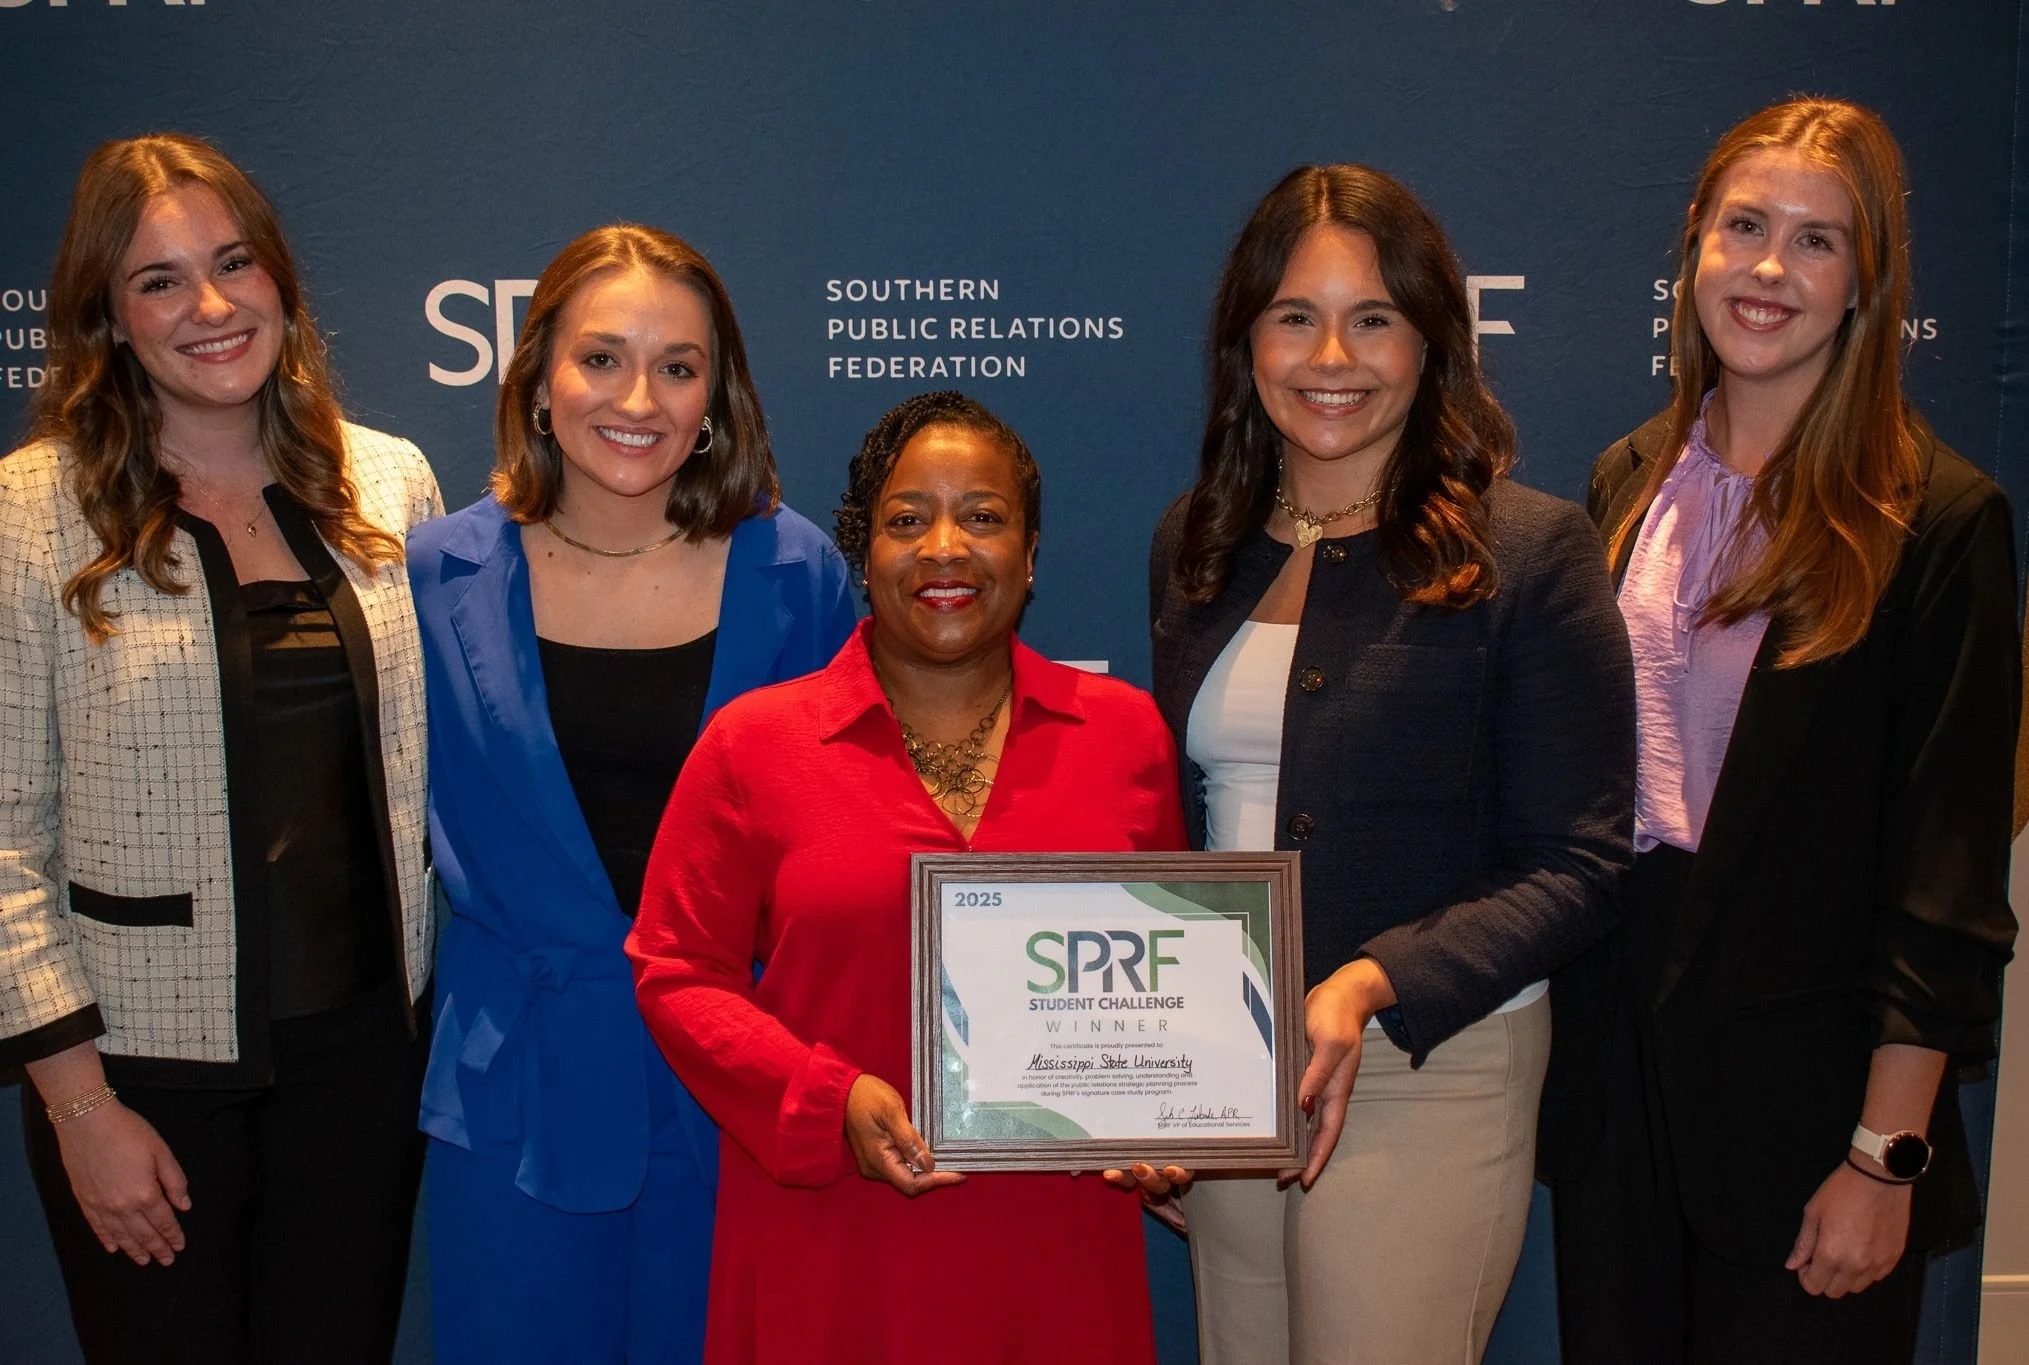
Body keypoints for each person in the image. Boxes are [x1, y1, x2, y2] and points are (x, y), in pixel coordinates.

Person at [1539, 97, 2020, 1364]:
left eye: (1816, 241)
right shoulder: (1625, 480)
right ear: (1691, 243)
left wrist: (1885, 1155)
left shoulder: (1942, 518)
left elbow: (1947, 887)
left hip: (1817, 1115)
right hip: (1618, 1094)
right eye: (1743, 226)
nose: (1767, 269)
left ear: (1867, 281)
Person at [1147, 164, 1637, 1364]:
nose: (1333, 355)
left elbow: (1578, 863)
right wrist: (1155, 1079)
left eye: (1374, 317)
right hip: (1233, 1069)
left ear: (1432, 342)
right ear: (1244, 342)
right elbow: (1184, 828)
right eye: (1294, 316)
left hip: (1429, 1064)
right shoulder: (1195, 544)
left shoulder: (1530, 550)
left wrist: (1371, 981)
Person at [627, 391, 1187, 1365]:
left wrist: (1168, 1109)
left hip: (1053, 1252)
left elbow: (1166, 984)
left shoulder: (1124, 734)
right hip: (834, 1239)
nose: (943, 548)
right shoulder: (755, 746)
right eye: (905, 519)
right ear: (862, 547)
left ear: (1030, 550)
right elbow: (675, 971)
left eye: (981, 516)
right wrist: (821, 1098)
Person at [0, 134, 441, 1363]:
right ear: (107, 319)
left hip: (364, 1067)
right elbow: (0, 844)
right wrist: (81, 1107)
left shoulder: (390, 482)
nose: (210, 305)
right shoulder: (25, 513)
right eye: (158, 280)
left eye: (233, 262)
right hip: (141, 1078)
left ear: (281, 282)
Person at [409, 223, 856, 1365]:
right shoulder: (431, 575)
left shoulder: (795, 571)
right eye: (601, 358)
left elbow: (857, 828)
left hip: (733, 1088)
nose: (638, 398)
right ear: (538, 379)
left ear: (717, 397)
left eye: (678, 366)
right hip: (515, 1092)